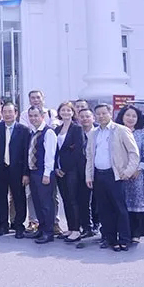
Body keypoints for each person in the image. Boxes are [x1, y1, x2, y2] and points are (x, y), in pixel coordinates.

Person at [86, 103, 139, 252]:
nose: (101, 116)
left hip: (115, 175)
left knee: (120, 209)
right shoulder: (93, 133)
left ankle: (124, 239)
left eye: (104, 113)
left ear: (111, 113)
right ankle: (111, 239)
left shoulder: (121, 130)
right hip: (98, 175)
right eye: (98, 114)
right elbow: (89, 156)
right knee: (104, 209)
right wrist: (88, 175)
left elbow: (134, 153)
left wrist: (128, 172)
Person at [116, 104, 144, 243]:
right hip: (120, 175)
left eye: (134, 116)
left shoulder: (141, 134)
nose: (131, 118)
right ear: (122, 117)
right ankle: (123, 233)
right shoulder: (116, 132)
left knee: (137, 204)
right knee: (121, 204)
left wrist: (139, 170)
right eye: (128, 115)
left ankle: (136, 233)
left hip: (137, 176)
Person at [0, 102, 30, 238]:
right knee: (1, 198)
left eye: (10, 112)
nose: (7, 114)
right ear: (1, 113)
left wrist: (26, 173)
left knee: (19, 198)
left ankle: (19, 225)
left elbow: (26, 153)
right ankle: (3, 225)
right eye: (5, 112)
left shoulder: (24, 130)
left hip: (17, 170)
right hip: (0, 169)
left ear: (16, 113)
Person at [53, 102, 85, 243]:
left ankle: (76, 229)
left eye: (68, 110)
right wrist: (57, 168)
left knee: (73, 199)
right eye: (63, 110)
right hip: (59, 169)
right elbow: (54, 150)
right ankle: (70, 228)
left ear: (73, 112)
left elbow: (78, 151)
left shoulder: (77, 129)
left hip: (72, 170)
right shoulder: (57, 129)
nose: (65, 112)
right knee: (65, 199)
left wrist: (65, 169)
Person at [26, 107, 57, 244]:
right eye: (31, 116)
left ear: (42, 116)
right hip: (33, 172)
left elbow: (50, 155)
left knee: (46, 204)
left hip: (43, 173)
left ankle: (48, 233)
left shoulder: (48, 132)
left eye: (36, 116)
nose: (33, 118)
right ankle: (41, 229)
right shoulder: (33, 132)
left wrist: (47, 174)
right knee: (37, 203)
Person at [76, 108, 97, 238]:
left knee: (98, 201)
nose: (85, 119)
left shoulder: (98, 132)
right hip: (81, 171)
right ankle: (87, 227)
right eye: (82, 117)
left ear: (93, 118)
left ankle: (97, 225)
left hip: (98, 170)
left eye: (87, 116)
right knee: (84, 201)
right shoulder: (77, 133)